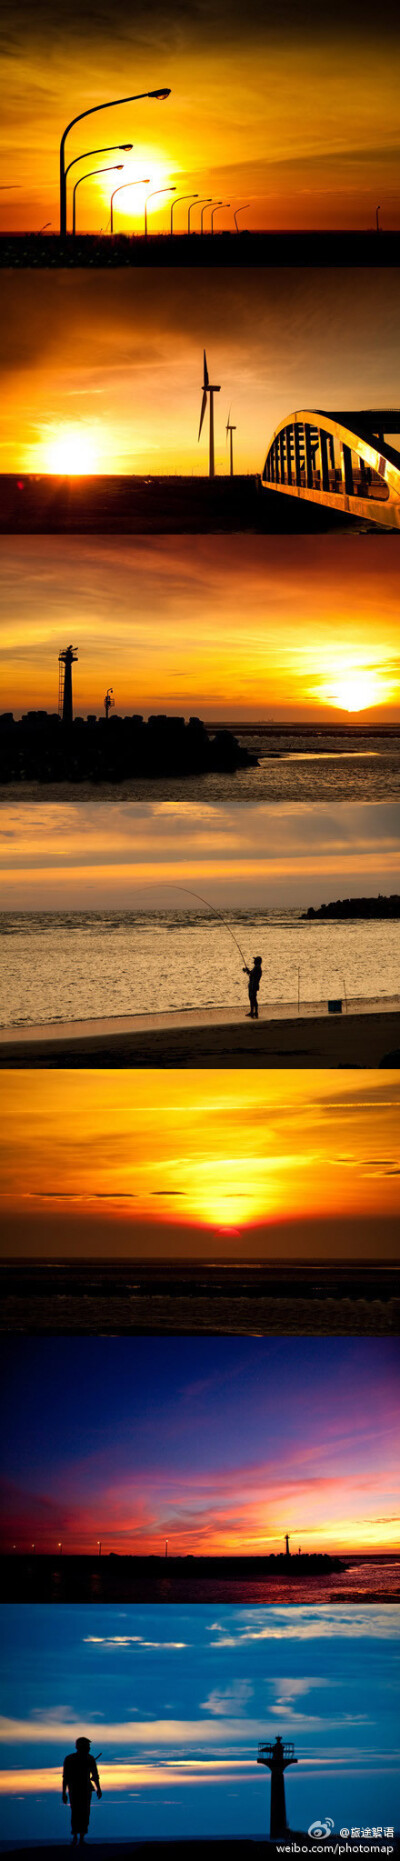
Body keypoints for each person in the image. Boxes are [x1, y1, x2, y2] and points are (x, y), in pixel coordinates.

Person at [62, 1737, 102, 1846]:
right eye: (87, 1746)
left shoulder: (90, 1759)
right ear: (80, 1747)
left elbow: (94, 1775)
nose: (89, 1748)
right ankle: (76, 1837)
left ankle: (81, 1838)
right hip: (75, 1789)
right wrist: (63, 1793)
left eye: (89, 1746)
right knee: (76, 1812)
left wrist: (98, 1788)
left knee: (85, 1813)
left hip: (85, 1789)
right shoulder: (70, 1759)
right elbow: (66, 1777)